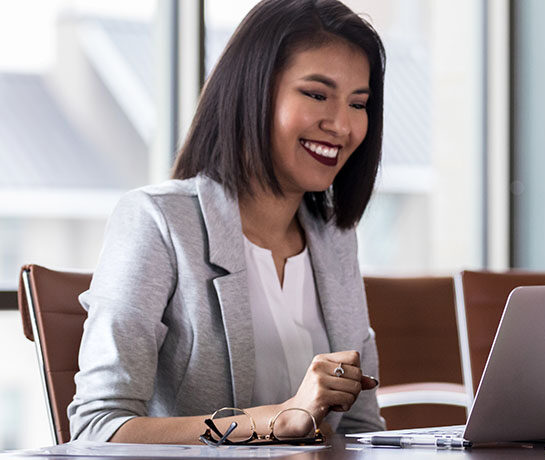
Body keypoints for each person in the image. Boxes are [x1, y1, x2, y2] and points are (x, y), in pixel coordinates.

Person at [67, 0, 387, 444]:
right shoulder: (157, 222)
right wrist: (276, 419)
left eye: (359, 103)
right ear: (253, 92)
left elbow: (360, 428)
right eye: (316, 94)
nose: (341, 125)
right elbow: (97, 431)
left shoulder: (334, 238)